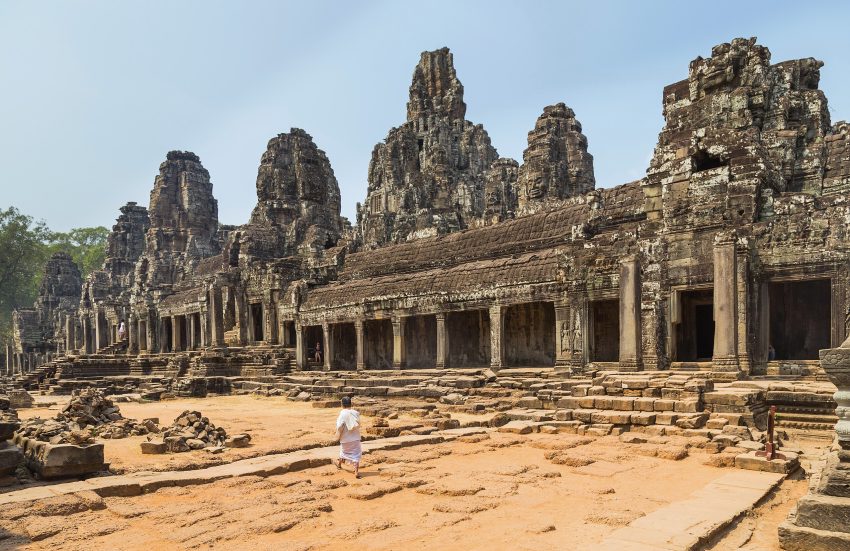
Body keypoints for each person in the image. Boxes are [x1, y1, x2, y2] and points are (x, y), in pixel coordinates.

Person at [333, 396, 361, 478]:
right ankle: (356, 472)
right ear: (350, 404)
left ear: (342, 404)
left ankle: (339, 464)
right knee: (356, 455)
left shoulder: (342, 413)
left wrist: (337, 435)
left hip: (345, 439)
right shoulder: (356, 413)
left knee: (343, 452)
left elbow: (339, 426)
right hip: (355, 438)